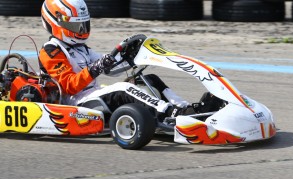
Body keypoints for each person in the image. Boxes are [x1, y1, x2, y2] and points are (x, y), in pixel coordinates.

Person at [39, 0, 193, 119]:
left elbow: (110, 67)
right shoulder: (51, 51)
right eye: (75, 26)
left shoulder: (81, 48)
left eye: (83, 25)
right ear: (55, 23)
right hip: (77, 104)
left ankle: (186, 110)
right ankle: (169, 113)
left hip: (93, 95)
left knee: (148, 80)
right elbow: (69, 85)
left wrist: (129, 57)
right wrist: (95, 68)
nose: (81, 31)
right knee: (123, 89)